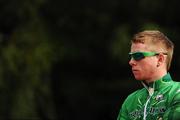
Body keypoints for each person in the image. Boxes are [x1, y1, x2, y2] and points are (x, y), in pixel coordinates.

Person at [117, 30, 180, 120]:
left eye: (138, 56)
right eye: (131, 56)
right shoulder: (131, 100)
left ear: (160, 59)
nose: (131, 62)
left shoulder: (177, 92)